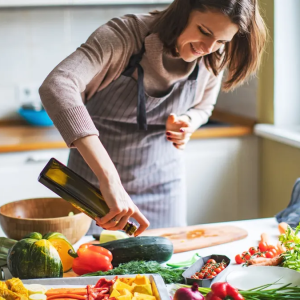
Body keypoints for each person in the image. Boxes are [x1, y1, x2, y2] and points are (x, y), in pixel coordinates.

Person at [39, 0, 267, 236]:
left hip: (163, 187)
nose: (208, 47)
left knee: (165, 268)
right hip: (94, 186)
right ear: (183, 11)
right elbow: (57, 84)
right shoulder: (124, 35)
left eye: (222, 40)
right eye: (204, 31)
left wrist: (187, 123)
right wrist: (110, 179)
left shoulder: (214, 55)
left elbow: (203, 108)